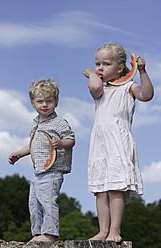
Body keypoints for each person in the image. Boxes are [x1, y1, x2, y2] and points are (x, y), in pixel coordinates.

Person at [83, 43, 154, 242]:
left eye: (106, 64)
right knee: (100, 190)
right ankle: (102, 230)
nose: (99, 68)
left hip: (118, 142)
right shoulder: (99, 89)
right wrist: (91, 74)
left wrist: (142, 71)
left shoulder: (128, 87)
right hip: (100, 144)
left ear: (120, 68)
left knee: (116, 187)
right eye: (97, 63)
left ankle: (115, 230)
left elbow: (147, 95)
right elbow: (96, 86)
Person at [9, 79, 75, 242]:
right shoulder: (35, 123)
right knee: (34, 203)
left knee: (47, 201)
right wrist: (19, 153)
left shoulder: (58, 122)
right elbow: (32, 145)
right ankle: (38, 234)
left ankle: (50, 234)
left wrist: (61, 143)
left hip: (52, 170)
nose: (44, 105)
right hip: (38, 170)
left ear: (56, 102)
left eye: (49, 101)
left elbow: (71, 139)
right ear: (33, 103)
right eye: (40, 101)